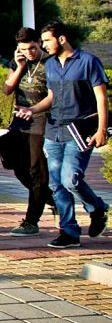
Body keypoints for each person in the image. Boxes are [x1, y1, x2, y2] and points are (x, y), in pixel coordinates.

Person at [22, 21, 108, 249]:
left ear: (61, 39)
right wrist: (31, 110)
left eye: (47, 40)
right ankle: (69, 231)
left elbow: (101, 98)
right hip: (53, 130)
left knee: (70, 179)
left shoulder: (88, 62)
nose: (44, 45)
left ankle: (97, 207)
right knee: (57, 184)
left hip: (78, 132)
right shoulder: (50, 65)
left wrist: (101, 129)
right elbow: (51, 97)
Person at [0, 27, 54, 236]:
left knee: (36, 171)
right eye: (24, 49)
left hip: (41, 122)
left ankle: (31, 221)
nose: (29, 52)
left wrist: (34, 110)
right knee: (15, 163)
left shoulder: (51, 63)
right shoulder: (19, 61)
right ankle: (49, 197)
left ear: (39, 43)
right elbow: (7, 89)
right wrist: (20, 66)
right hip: (19, 122)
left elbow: (54, 96)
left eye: (32, 48)